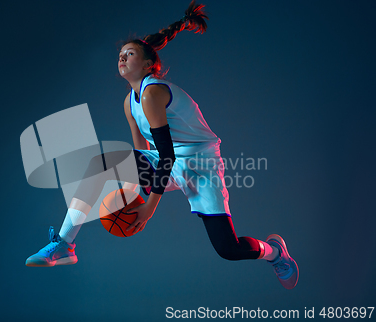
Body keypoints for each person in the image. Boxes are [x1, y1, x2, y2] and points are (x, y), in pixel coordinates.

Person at [25, 0, 298, 290]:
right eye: (119, 54)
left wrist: (148, 208)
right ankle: (64, 245)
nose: (121, 58)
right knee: (100, 164)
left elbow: (166, 155)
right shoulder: (129, 103)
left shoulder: (152, 92)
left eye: (129, 54)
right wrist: (133, 192)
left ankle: (275, 252)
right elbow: (144, 150)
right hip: (166, 159)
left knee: (228, 249)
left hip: (200, 164)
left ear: (147, 64)